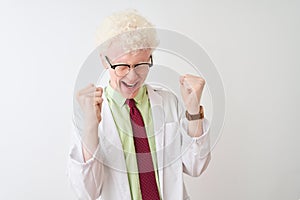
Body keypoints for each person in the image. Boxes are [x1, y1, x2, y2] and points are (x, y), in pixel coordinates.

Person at [67, 9, 211, 200]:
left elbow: (195, 166)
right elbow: (87, 192)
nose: (133, 76)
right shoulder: (88, 113)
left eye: (141, 64)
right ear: (104, 60)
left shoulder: (167, 102)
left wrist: (193, 110)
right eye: (123, 66)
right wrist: (91, 127)